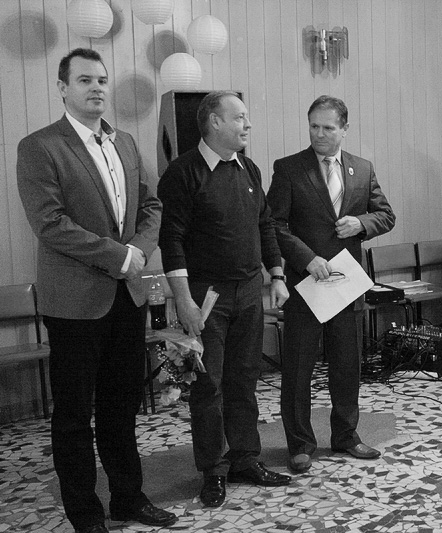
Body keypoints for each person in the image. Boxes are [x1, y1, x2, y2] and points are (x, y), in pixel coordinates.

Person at [16, 48, 177, 533]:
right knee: (73, 417)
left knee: (120, 407)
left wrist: (138, 252)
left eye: (102, 80)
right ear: (62, 88)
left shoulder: (124, 142)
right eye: (85, 80)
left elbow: (152, 206)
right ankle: (85, 514)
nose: (96, 88)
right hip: (74, 303)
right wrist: (118, 257)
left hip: (126, 295)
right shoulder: (40, 146)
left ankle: (128, 498)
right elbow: (50, 223)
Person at [158, 91, 292, 508]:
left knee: (244, 380)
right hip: (206, 296)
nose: (247, 124)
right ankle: (213, 471)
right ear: (214, 122)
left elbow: (265, 225)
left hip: (249, 290)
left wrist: (277, 274)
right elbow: (171, 240)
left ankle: (245, 459)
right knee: (209, 386)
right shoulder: (182, 173)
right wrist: (183, 300)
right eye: (240, 117)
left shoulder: (248, 168)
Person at [267, 95, 395, 474]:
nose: (319, 134)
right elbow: (274, 224)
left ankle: (346, 435)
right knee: (298, 369)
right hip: (305, 282)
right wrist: (306, 257)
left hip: (345, 284)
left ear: (344, 129)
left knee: (346, 364)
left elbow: (386, 215)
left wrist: (361, 224)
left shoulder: (362, 169)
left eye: (328, 127)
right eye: (313, 126)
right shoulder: (289, 169)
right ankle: (300, 444)